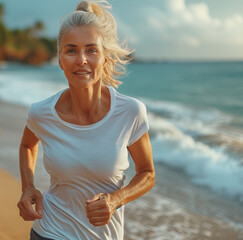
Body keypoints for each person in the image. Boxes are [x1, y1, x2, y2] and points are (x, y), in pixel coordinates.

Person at [17, 1, 155, 239]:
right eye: (71, 50)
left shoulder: (130, 112)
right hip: (49, 232)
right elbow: (27, 145)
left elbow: (147, 173)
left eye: (91, 50)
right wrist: (28, 187)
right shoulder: (42, 113)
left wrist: (115, 200)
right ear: (60, 60)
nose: (81, 59)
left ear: (105, 58)